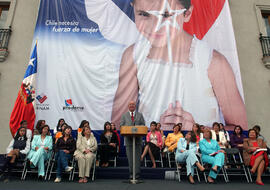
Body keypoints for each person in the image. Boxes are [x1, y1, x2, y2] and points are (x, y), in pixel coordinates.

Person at [111, 0, 247, 131]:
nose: (154, 26)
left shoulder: (214, 62)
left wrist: (195, 131)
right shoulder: (133, 56)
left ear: (187, 14)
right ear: (133, 8)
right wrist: (154, 133)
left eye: (165, 15)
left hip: (200, 152)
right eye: (144, 14)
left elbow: (241, 131)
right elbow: (118, 124)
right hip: (153, 151)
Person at [119, 100, 145, 180]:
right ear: (128, 106)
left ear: (135, 106)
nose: (131, 106)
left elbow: (143, 125)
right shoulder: (124, 116)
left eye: (133, 104)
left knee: (137, 159)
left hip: (138, 140)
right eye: (130, 104)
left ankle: (137, 175)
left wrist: (136, 128)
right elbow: (121, 126)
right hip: (128, 141)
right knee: (130, 159)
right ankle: (131, 175)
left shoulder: (140, 115)